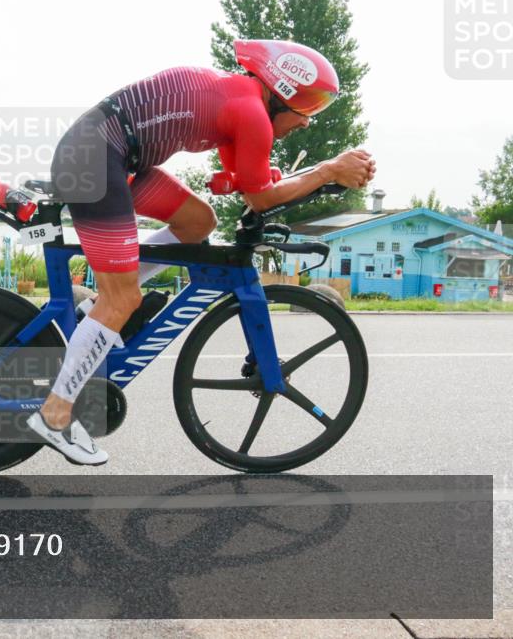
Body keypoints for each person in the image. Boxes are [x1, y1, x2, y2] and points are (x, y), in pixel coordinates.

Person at [26, 39, 376, 465]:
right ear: (281, 95)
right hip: (97, 158)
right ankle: (56, 413)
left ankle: (100, 312)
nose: (305, 124)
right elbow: (262, 199)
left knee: (198, 223)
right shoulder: (251, 114)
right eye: (306, 111)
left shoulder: (241, 99)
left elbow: (249, 183)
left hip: (114, 155)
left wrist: (302, 176)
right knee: (124, 299)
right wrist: (327, 170)